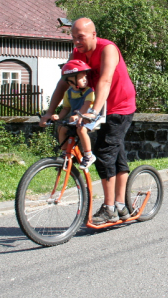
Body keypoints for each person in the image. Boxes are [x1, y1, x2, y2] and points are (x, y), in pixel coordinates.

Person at [41, 17, 137, 224]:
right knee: (115, 153)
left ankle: (110, 208)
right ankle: (121, 206)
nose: (76, 42)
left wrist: (94, 110)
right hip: (99, 106)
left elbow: (105, 79)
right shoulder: (77, 52)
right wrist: (50, 111)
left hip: (120, 105)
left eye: (80, 37)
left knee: (105, 152)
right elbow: (64, 82)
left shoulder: (108, 49)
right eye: (73, 38)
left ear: (94, 34)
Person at [51, 59, 97, 168]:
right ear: (71, 81)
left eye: (85, 77)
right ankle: (66, 154)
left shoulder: (89, 91)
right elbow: (65, 109)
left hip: (88, 116)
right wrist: (58, 116)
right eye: (82, 78)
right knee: (61, 128)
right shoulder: (68, 93)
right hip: (76, 118)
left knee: (81, 129)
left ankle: (89, 155)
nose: (85, 80)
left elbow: (86, 106)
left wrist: (77, 116)